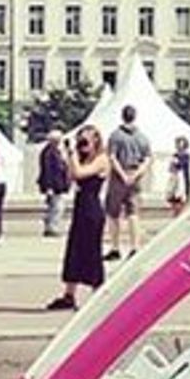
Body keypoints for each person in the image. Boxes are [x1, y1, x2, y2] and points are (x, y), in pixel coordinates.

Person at [47, 125, 110, 311]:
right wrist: (71, 156)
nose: (82, 145)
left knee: (92, 252)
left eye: (86, 141)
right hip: (80, 208)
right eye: (80, 141)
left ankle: (98, 293)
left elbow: (79, 174)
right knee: (74, 250)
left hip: (92, 210)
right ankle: (69, 295)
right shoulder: (81, 159)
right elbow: (70, 177)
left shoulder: (102, 159)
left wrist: (73, 155)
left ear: (96, 141)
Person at [104, 106, 151, 261]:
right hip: (135, 174)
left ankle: (115, 247)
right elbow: (148, 159)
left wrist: (123, 175)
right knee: (133, 213)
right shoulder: (142, 137)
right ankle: (134, 247)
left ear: (122, 116)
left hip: (119, 176)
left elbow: (112, 157)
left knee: (113, 213)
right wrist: (137, 174)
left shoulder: (115, 136)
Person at [38, 130, 71, 237]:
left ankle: (50, 226)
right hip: (54, 185)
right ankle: (52, 227)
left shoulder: (54, 151)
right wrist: (49, 187)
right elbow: (47, 170)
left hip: (58, 184)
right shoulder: (48, 152)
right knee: (57, 207)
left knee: (54, 206)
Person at [166, 136, 190, 213]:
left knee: (181, 197)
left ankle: (181, 211)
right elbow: (171, 167)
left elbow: (182, 165)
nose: (178, 145)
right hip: (174, 178)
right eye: (177, 143)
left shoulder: (186, 155)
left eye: (180, 143)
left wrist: (177, 163)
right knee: (173, 197)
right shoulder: (174, 155)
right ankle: (175, 211)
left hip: (183, 179)